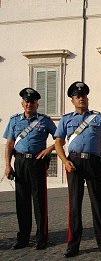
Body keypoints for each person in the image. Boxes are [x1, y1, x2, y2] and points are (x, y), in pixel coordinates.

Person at [54, 81, 101, 260]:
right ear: (72, 100)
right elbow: (58, 142)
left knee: (98, 205)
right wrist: (64, 161)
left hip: (94, 163)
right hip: (74, 163)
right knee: (74, 205)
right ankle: (73, 246)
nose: (82, 99)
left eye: (84, 96)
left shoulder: (98, 117)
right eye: (78, 96)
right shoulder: (66, 119)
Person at [3, 88, 56, 250]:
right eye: (26, 101)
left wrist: (49, 150)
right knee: (22, 201)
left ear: (37, 104)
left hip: (37, 163)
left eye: (32, 102)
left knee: (39, 201)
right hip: (19, 162)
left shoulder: (45, 121)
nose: (29, 104)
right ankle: (23, 238)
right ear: (22, 103)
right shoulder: (14, 121)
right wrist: (7, 165)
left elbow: (60, 138)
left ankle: (41, 238)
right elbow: (10, 144)